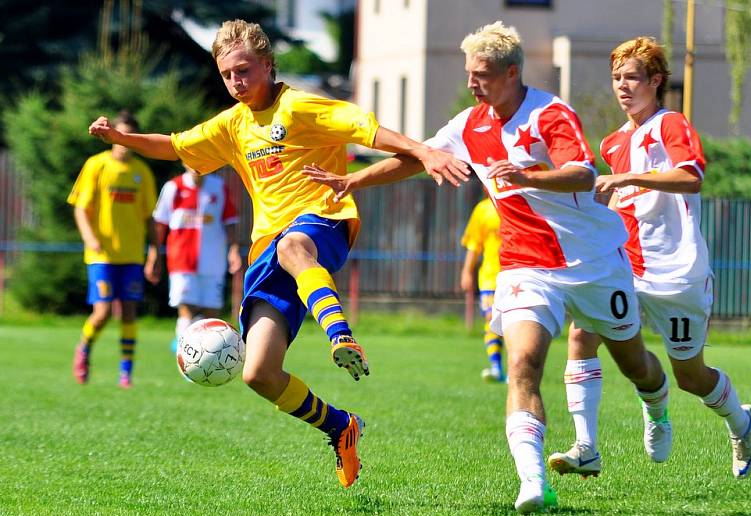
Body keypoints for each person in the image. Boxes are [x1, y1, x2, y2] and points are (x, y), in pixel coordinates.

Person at [304, 21, 671, 513]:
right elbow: (420, 158)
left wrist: (527, 174)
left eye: (482, 75)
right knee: (522, 365)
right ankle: (533, 481)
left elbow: (584, 173)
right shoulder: (469, 124)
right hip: (525, 265)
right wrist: (354, 181)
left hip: (593, 261)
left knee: (636, 366)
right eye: (469, 73)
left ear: (511, 72)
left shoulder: (549, 113)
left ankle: (656, 404)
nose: (473, 83)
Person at [87, 19, 469, 487]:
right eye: (227, 75)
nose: (236, 82)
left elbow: (368, 131)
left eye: (244, 70)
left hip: (320, 223)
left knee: (293, 244)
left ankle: (340, 335)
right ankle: (341, 426)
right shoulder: (231, 125)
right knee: (259, 373)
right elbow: (176, 145)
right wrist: (122, 139)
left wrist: (424, 152)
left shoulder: (301, 106)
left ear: (268, 64)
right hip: (266, 250)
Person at [547, 36, 751, 480]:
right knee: (582, 334)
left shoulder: (671, 125)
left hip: (678, 271)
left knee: (692, 377)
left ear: (656, 81)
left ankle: (741, 423)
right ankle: (588, 446)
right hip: (625, 265)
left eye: (632, 78)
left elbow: (691, 177)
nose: (622, 87)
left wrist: (624, 177)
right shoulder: (610, 144)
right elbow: (617, 202)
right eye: (617, 78)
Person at [68, 110, 160, 389]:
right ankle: (84, 348)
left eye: (128, 136)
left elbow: (149, 217)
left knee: (130, 312)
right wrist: (90, 238)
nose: (123, 142)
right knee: (103, 312)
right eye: (119, 136)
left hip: (131, 255)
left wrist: (154, 252)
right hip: (102, 255)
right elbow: (81, 209)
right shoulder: (97, 165)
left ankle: (126, 373)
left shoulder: (141, 172)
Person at [148, 163, 242, 351]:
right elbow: (159, 224)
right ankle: (187, 358)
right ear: (183, 162)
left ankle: (206, 358)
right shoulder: (172, 187)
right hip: (181, 260)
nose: (195, 164)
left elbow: (229, 221)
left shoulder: (219, 186)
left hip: (213, 260)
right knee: (186, 309)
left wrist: (233, 250)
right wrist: (154, 255)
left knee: (211, 313)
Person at [460, 196, 505, 382]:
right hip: (489, 277)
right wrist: (467, 272)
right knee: (491, 318)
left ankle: (517, 368)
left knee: (514, 324)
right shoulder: (483, 209)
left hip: (516, 274)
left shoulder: (521, 200)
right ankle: (496, 366)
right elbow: (474, 244)